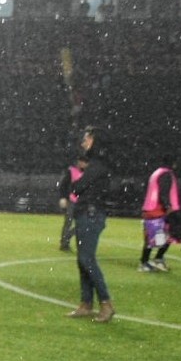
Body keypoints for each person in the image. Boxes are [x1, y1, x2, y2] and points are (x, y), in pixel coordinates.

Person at [64, 128, 114, 322]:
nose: (83, 142)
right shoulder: (96, 165)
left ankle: (106, 303)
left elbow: (77, 187)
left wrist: (77, 185)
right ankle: (86, 304)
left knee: (87, 260)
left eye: (87, 138)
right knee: (83, 260)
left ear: (95, 140)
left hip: (90, 215)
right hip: (87, 214)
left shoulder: (97, 165)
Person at [139, 163, 181, 272]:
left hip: (150, 208)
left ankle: (149, 261)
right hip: (157, 209)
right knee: (168, 235)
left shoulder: (157, 173)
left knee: (156, 237)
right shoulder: (166, 174)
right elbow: (163, 192)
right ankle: (152, 261)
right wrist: (168, 206)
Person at [57, 152, 83, 253]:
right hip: (72, 201)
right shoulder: (71, 171)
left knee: (80, 224)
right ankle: (64, 243)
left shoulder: (87, 173)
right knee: (68, 222)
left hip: (81, 202)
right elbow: (63, 185)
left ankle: (66, 238)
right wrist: (63, 197)